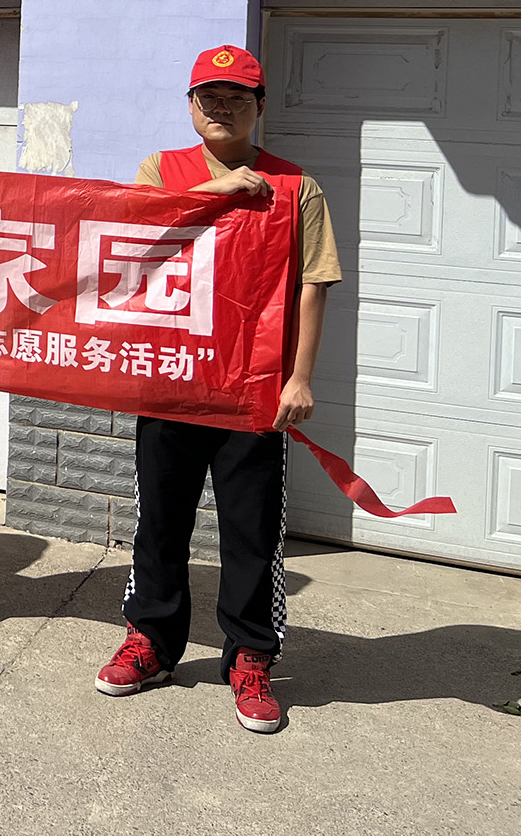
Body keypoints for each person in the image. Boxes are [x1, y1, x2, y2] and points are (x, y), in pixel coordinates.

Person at [94, 44, 339, 736]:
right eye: (209, 96)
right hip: (172, 381)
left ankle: (252, 657)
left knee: (251, 531)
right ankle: (152, 642)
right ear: (191, 105)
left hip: (253, 390)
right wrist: (220, 189)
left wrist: (299, 377)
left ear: (260, 105)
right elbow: (136, 236)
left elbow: (313, 284)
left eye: (237, 96)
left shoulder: (296, 187)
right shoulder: (161, 170)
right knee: (159, 521)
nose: (222, 107)